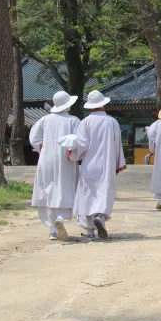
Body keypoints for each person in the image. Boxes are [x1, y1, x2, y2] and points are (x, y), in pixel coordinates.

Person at [67, 90, 126, 242]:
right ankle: (100, 216)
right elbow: (117, 144)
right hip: (106, 164)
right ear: (103, 104)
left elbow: (81, 144)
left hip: (89, 164)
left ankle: (90, 232)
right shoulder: (112, 122)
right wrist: (118, 163)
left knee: (87, 194)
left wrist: (72, 155)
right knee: (104, 191)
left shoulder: (85, 122)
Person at [29, 91, 80, 241]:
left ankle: (52, 229)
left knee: (48, 190)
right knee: (66, 188)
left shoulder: (44, 120)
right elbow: (80, 140)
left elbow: (33, 138)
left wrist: (42, 146)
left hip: (47, 159)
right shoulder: (73, 120)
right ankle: (61, 217)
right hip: (66, 159)